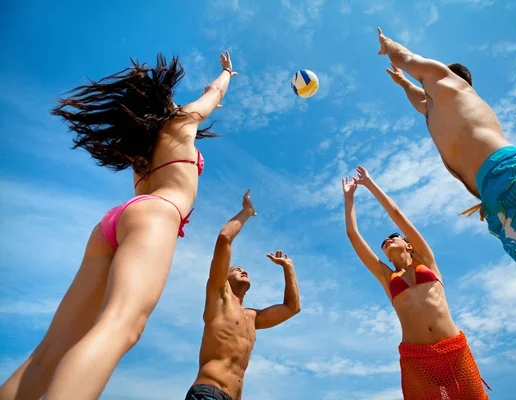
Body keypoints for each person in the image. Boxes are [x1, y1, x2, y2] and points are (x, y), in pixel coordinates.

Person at [0, 51, 237, 399]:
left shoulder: (141, 148)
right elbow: (215, 95)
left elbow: (206, 104)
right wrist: (226, 74)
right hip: (157, 213)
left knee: (50, 349)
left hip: (116, 221)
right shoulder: (181, 121)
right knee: (120, 325)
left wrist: (209, 94)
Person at [376, 27, 516, 343]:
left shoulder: (452, 84)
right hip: (500, 200)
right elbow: (420, 101)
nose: (425, 93)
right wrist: (401, 82)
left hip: (512, 176)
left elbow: (409, 59)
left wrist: (388, 45)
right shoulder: (435, 110)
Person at [343, 166, 490, 400]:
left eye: (394, 237)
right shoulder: (386, 276)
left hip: (454, 350)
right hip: (416, 358)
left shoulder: (427, 262)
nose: (387, 240)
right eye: (384, 242)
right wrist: (349, 198)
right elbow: (353, 235)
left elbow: (397, 214)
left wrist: (369, 185)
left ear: (409, 245)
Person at [186, 190, 301, 400]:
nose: (243, 270)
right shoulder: (218, 297)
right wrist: (247, 211)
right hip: (209, 393)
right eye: (236, 269)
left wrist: (288, 267)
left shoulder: (252, 317)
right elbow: (224, 239)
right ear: (224, 277)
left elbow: (292, 307)